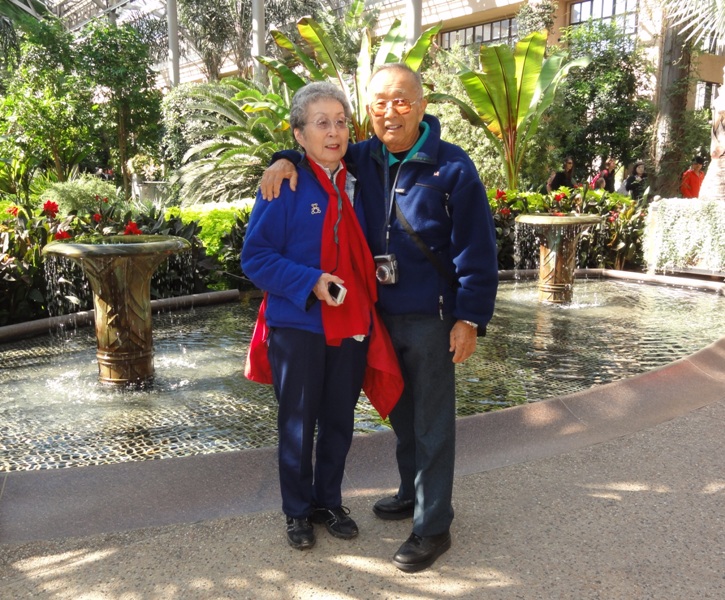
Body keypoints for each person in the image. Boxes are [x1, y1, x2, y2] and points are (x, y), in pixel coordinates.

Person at [260, 63, 499, 572]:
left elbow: (478, 251)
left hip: (432, 317)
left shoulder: (452, 168)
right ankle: (413, 494)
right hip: (376, 316)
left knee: (432, 422)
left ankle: (433, 526)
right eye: (378, 104)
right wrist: (283, 159)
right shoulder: (364, 157)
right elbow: (317, 148)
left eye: (401, 101)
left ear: (422, 105)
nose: (389, 113)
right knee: (401, 412)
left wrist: (469, 318)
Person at [241, 82, 402, 552]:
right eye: (321, 123)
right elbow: (256, 258)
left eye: (340, 122)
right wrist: (309, 280)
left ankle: (328, 502)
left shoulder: (360, 177)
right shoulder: (286, 183)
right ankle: (296, 511)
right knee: (297, 421)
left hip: (351, 320)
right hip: (300, 323)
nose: (334, 132)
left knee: (338, 420)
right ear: (300, 133)